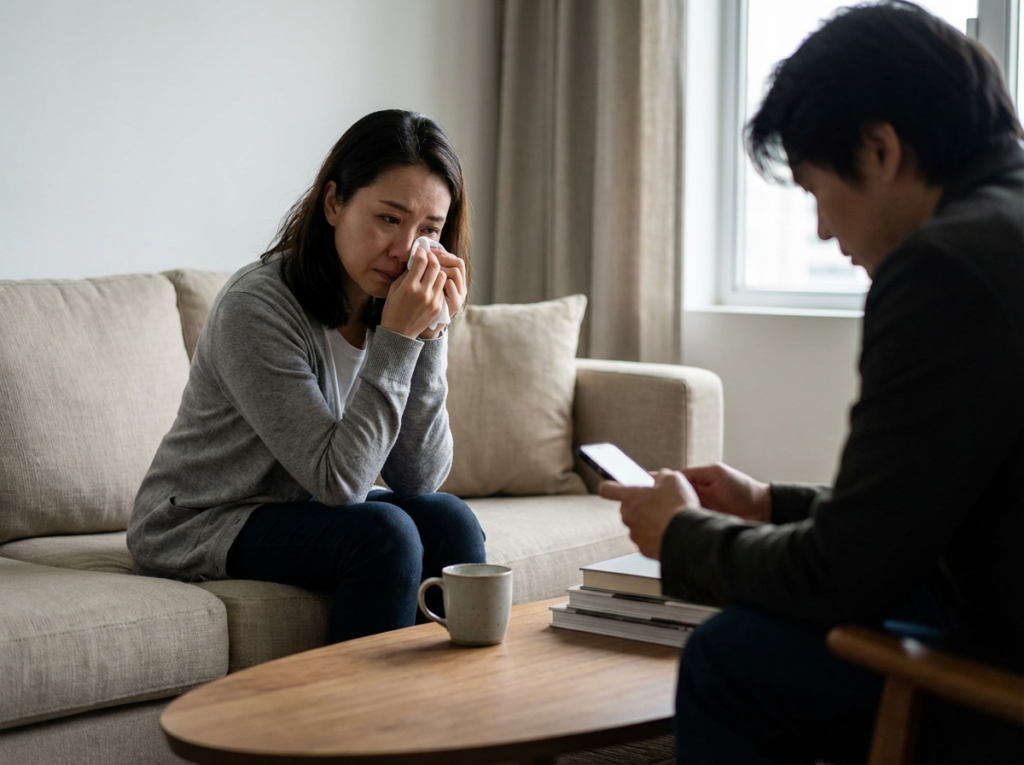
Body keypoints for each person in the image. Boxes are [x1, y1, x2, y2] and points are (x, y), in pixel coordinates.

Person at [599, 3, 1024, 764]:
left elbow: (845, 577)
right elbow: (922, 515)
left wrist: (682, 535)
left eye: (816, 191)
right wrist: (768, 504)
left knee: (733, 657)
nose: (826, 230)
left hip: (1001, 680)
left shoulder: (945, 267)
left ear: (880, 147)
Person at [128, 109, 486, 643]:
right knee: (384, 535)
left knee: (449, 519)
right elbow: (341, 486)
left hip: (301, 507)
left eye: (428, 231)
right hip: (201, 518)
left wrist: (431, 332)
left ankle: (447, 718)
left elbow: (419, 478)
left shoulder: (394, 305)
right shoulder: (258, 307)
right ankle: (356, 725)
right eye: (389, 219)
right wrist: (398, 340)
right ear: (334, 202)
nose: (406, 251)